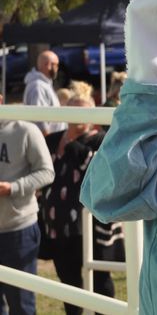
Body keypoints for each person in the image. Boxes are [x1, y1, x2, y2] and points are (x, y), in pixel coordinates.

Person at [42, 95, 120, 315]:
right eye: (74, 110)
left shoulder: (101, 140)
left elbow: (100, 172)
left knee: (100, 281)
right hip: (57, 225)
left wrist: (73, 147)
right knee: (68, 282)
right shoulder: (52, 140)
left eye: (85, 111)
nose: (78, 117)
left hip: (91, 227)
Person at [0, 94, 55, 315]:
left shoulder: (25, 130)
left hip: (18, 228)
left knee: (21, 304)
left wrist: (12, 188)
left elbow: (46, 172)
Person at [23, 51, 67, 135]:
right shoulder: (38, 86)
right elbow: (39, 118)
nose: (57, 68)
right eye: (56, 65)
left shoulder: (42, 84)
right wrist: (48, 141)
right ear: (48, 64)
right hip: (49, 140)